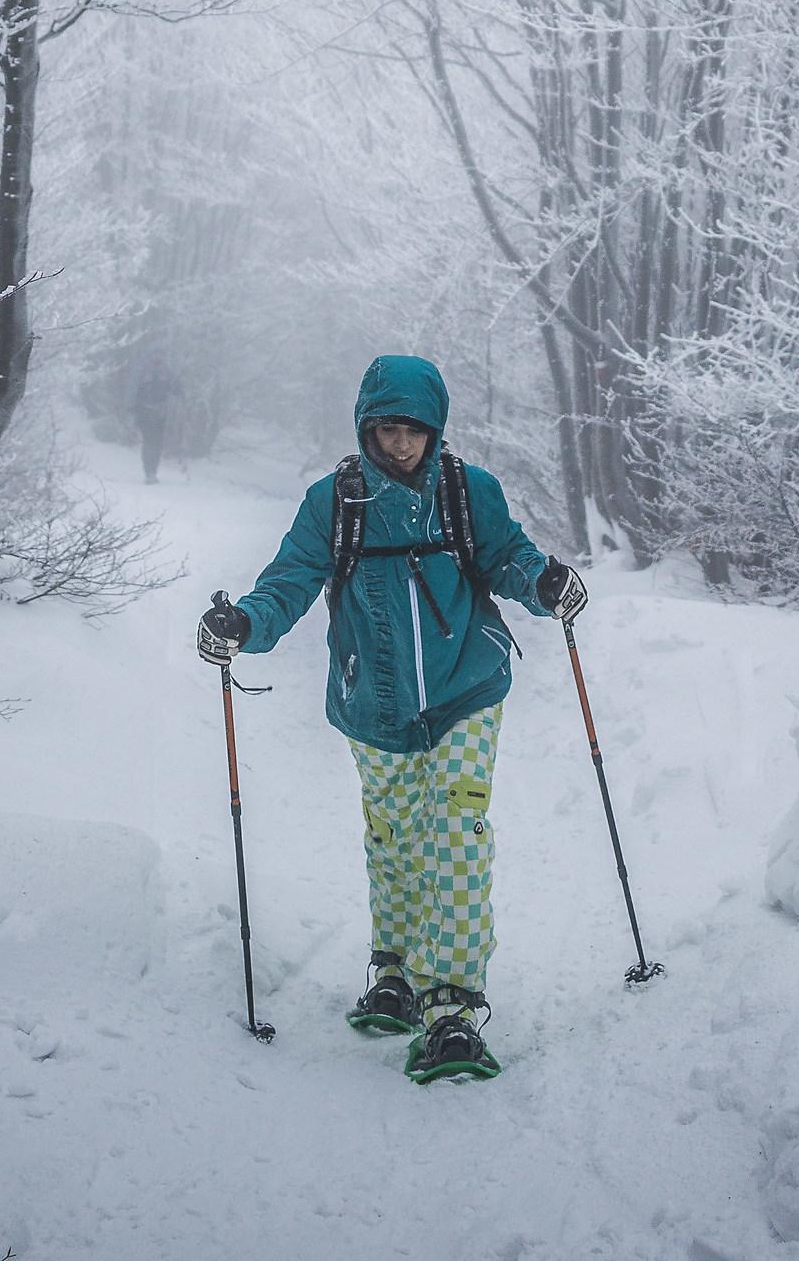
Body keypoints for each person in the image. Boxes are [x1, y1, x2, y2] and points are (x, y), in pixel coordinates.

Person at [196, 353, 586, 1084]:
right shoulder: (335, 502)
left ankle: (454, 1010)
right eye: (386, 428)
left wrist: (545, 581)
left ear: (434, 428)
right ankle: (397, 971)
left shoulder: (469, 493)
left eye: (413, 429)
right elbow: (290, 579)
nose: (400, 443)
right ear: (364, 427)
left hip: (467, 687)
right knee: (395, 836)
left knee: (458, 834)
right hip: (370, 702)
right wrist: (244, 624)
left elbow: (509, 557)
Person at [127, 348, 177, 483]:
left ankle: (153, 472)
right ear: (151, 355)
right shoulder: (142, 370)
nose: (157, 357)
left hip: (161, 412)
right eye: (155, 354)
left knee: (158, 443)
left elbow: (176, 388)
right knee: (149, 441)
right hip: (144, 411)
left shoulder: (167, 371)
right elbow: (133, 387)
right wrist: (131, 406)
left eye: (160, 354)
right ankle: (148, 472)